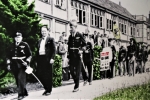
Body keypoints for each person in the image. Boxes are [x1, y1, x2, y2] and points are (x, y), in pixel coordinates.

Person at [6, 32, 32, 100]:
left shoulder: (25, 45)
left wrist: (27, 62)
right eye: (16, 37)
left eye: (19, 37)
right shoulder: (11, 45)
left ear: (21, 38)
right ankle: (25, 92)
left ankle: (21, 94)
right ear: (15, 38)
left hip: (22, 64)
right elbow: (8, 56)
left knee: (21, 78)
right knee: (18, 79)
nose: (17, 39)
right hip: (14, 65)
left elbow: (29, 55)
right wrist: (8, 64)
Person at [36, 25, 56, 96]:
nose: (43, 32)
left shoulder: (51, 39)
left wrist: (52, 58)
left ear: (47, 31)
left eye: (44, 31)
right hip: (40, 58)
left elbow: (54, 50)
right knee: (39, 74)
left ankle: (48, 90)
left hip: (47, 58)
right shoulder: (39, 40)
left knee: (48, 74)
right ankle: (46, 88)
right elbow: (37, 51)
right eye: (42, 31)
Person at [67, 19, 86, 92]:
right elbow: (69, 47)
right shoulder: (70, 37)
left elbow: (84, 45)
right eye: (70, 27)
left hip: (78, 56)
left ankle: (76, 86)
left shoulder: (79, 35)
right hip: (72, 57)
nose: (71, 28)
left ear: (75, 27)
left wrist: (81, 50)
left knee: (77, 72)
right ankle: (76, 81)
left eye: (72, 27)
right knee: (71, 71)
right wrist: (68, 57)